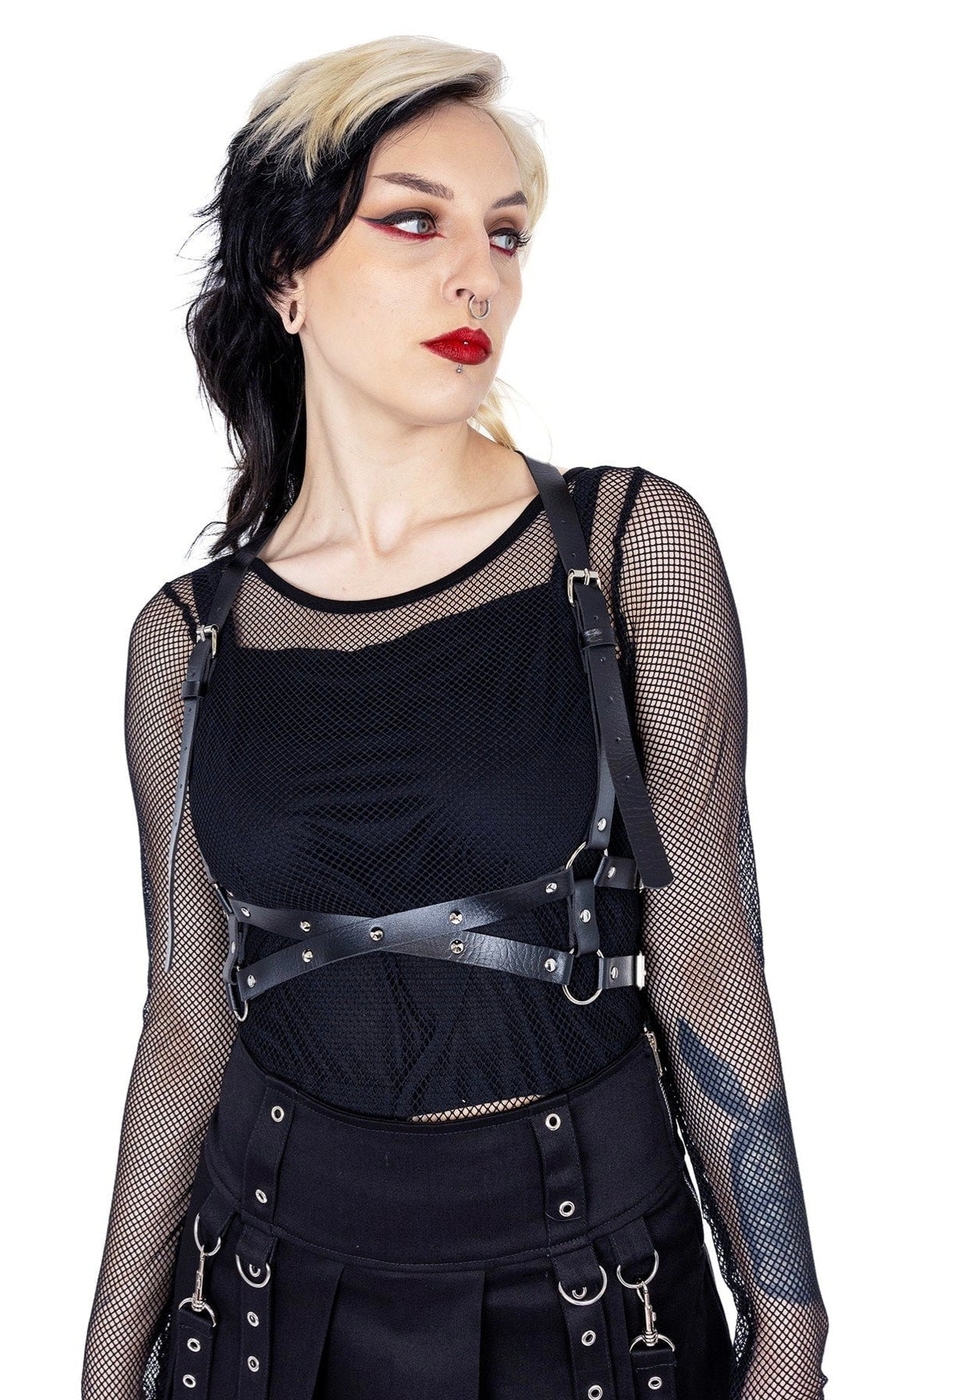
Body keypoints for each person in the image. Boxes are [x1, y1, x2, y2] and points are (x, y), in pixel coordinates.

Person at [81, 34, 829, 1400]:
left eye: (506, 231)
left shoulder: (626, 548)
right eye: (414, 221)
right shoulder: (188, 641)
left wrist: (790, 1337)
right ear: (284, 272)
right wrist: (104, 1367)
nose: (478, 272)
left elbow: (708, 953)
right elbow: (187, 1017)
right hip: (266, 1293)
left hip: (594, 1283)